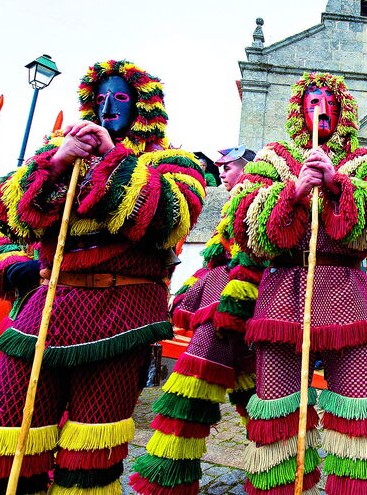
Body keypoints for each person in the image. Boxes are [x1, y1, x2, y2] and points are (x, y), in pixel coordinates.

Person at [0, 60, 205, 495]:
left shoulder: (174, 161)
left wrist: (113, 157)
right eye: (101, 98)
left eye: (122, 98)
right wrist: (54, 165)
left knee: (92, 446)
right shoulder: (56, 150)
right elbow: (6, 219)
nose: (108, 106)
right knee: (3, 431)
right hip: (45, 312)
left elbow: (171, 217)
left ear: (144, 106)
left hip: (121, 317)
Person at [221, 72, 367, 495]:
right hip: (283, 292)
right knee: (278, 405)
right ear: (298, 111)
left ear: (344, 111)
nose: (321, 108)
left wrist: (339, 185)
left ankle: (359, 486)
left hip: (344, 293)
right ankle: (282, 486)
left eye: (330, 102)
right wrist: (295, 191)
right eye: (312, 101)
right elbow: (242, 226)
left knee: (359, 402)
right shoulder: (272, 158)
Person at [130, 145, 258, 495]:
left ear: (247, 167)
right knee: (251, 391)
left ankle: (168, 480)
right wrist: (193, 288)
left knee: (193, 388)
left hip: (235, 312)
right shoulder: (235, 202)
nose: (222, 171)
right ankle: (270, 467)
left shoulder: (258, 198)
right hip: (223, 311)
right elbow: (215, 260)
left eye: (228, 166)